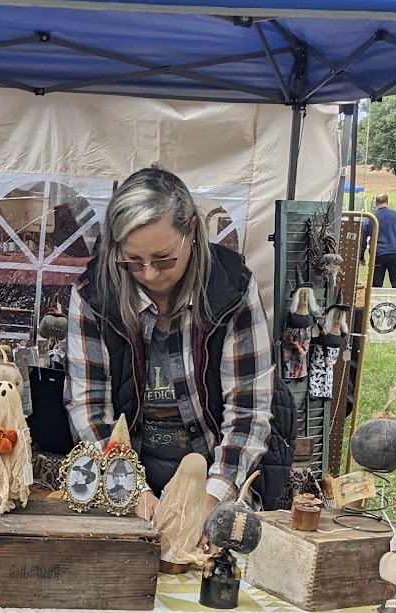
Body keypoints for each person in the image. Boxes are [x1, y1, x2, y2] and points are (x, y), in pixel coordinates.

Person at [65, 166, 282, 510]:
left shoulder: (232, 290)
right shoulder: (94, 295)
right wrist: (131, 492)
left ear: (191, 230)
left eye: (163, 259)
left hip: (213, 475)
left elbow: (247, 413)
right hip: (125, 479)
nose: (149, 274)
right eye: (132, 261)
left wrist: (211, 500)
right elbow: (89, 410)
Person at [369, 193, 396, 288]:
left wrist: (361, 255)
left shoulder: (372, 217)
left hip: (378, 254)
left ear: (376, 203)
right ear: (387, 202)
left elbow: (363, 235)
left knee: (376, 283)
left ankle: (375, 298)